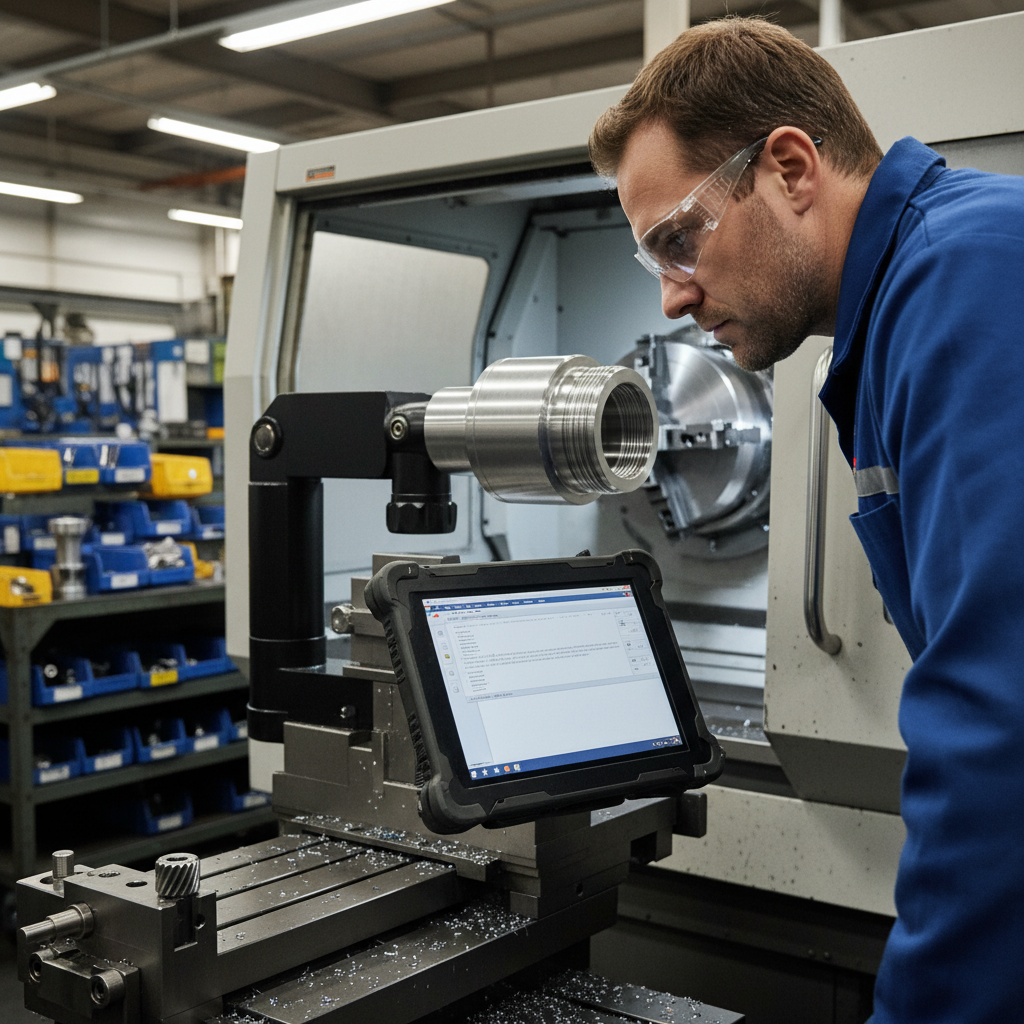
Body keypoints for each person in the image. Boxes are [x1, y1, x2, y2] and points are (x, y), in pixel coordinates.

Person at [589, 16, 1024, 1024]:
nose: (670, 299)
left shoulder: (964, 278)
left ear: (789, 167)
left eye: (678, 239)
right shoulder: (900, 308)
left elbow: (1001, 721)